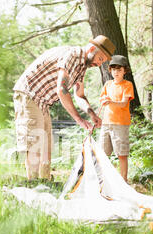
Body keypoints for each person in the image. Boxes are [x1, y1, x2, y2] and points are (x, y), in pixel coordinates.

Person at [13, 35, 116, 180]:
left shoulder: (82, 66)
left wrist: (91, 114)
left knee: (46, 146)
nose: (99, 64)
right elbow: (62, 90)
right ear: (92, 49)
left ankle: (45, 183)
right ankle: (34, 184)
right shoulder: (73, 55)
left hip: (43, 101)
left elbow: (79, 95)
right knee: (35, 142)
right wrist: (79, 120)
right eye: (100, 59)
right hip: (29, 94)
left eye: (102, 62)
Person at [98, 55, 135, 183]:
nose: (116, 72)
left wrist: (110, 101)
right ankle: (104, 181)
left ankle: (124, 181)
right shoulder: (108, 84)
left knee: (122, 154)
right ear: (110, 71)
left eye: (119, 70)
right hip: (106, 123)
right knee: (103, 154)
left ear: (125, 71)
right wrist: (105, 101)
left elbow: (124, 103)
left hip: (121, 124)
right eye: (114, 70)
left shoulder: (127, 85)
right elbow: (102, 99)